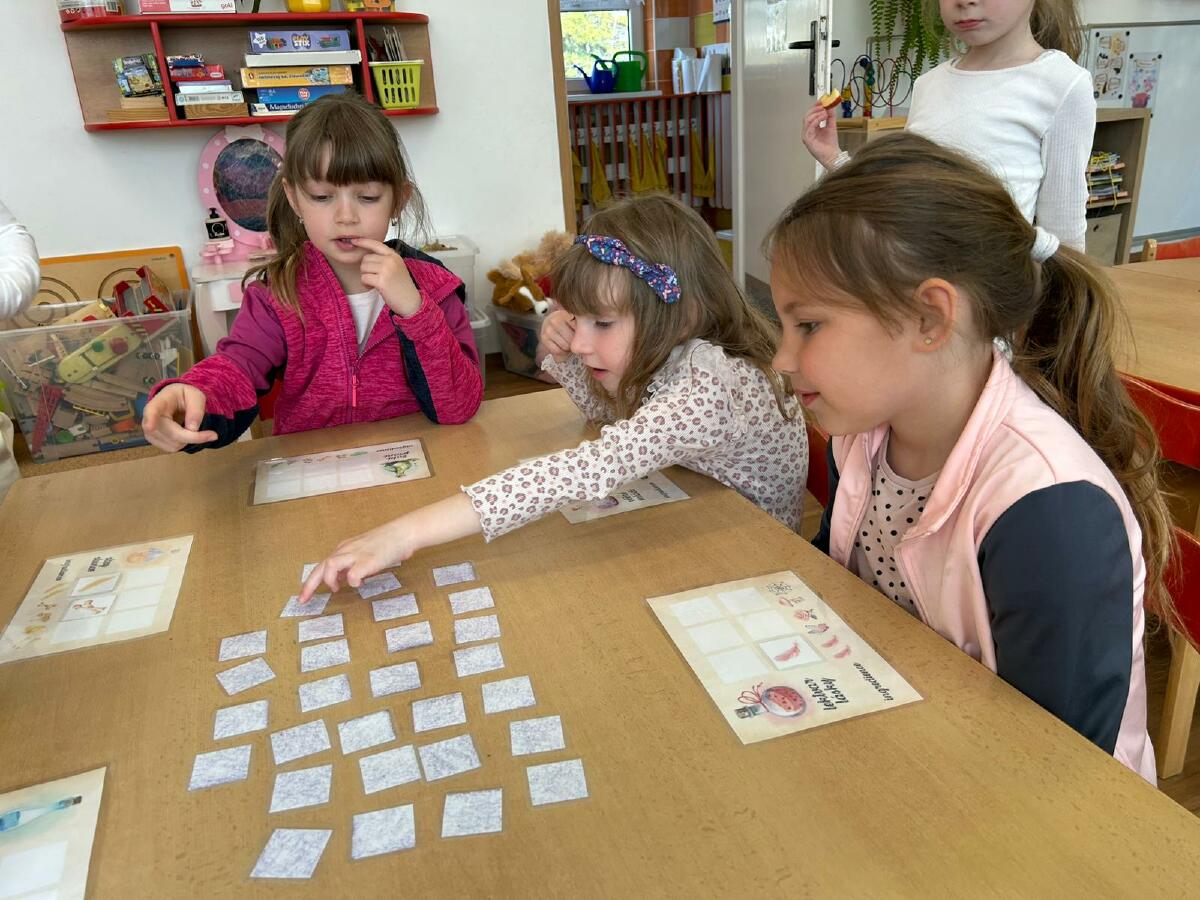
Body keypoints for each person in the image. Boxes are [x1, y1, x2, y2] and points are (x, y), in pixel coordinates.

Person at [768, 132, 1173, 782]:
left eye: (808, 325)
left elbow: (1057, 772)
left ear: (930, 318)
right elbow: (837, 582)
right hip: (900, 748)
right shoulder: (861, 433)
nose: (782, 359)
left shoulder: (1049, 512)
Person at [298, 194, 808, 600]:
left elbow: (593, 466)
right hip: (697, 513)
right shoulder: (669, 349)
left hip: (754, 559)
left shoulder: (712, 381)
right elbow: (606, 416)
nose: (581, 340)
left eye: (602, 322)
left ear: (684, 314)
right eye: (575, 319)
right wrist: (568, 358)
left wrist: (402, 535)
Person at [143, 92, 482, 453]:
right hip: (312, 468)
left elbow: (460, 405)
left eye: (367, 197)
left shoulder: (436, 288)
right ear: (294, 198)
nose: (345, 217)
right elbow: (238, 366)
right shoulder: (278, 294)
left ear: (398, 199)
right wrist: (194, 393)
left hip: (411, 462)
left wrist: (416, 311)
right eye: (322, 197)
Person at [803, 0, 1095, 250]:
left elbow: (1064, 235)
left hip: (992, 290)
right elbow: (902, 198)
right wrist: (834, 157)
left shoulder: (1063, 83)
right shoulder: (928, 84)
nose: (964, 1)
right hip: (910, 278)